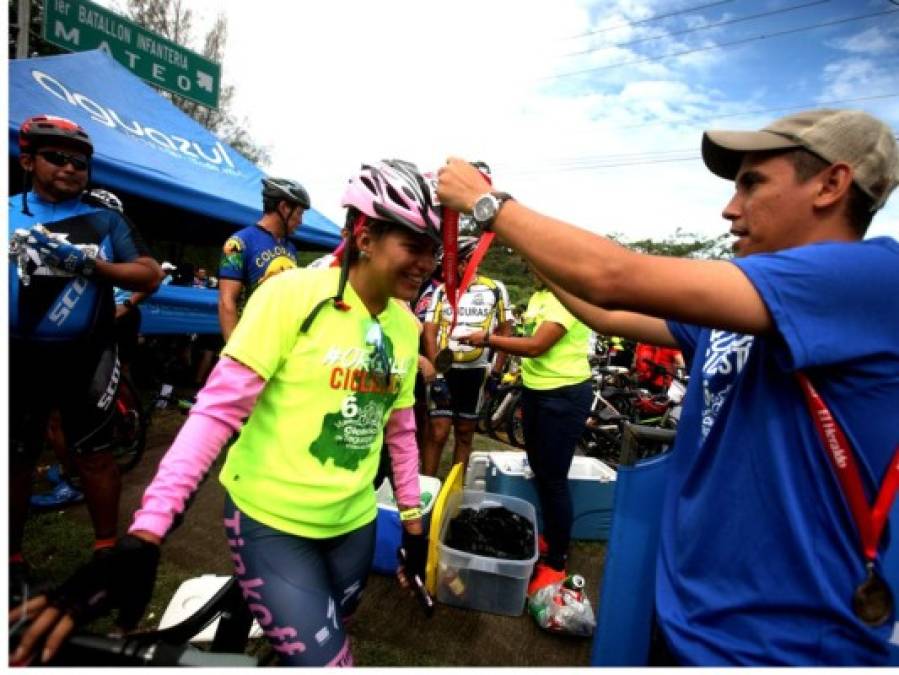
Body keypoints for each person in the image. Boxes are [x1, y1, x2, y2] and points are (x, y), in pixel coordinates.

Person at [436, 109, 899, 665]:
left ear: (831, 184)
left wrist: (489, 204)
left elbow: (614, 276)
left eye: (752, 183)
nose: (730, 209)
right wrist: (518, 242)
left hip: (782, 645)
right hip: (690, 617)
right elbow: (603, 309)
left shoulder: (870, 278)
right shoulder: (743, 309)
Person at [10, 159, 442, 667]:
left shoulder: (404, 325)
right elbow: (215, 414)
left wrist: (413, 527)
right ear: (365, 236)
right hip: (273, 524)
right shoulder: (291, 295)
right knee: (330, 663)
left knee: (327, 632)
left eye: (433, 251)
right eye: (413, 246)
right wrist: (147, 532)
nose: (426, 264)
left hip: (355, 523)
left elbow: (401, 429)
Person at [7, 115, 163, 603]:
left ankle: (105, 553)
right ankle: (11, 559)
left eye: (81, 162)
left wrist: (92, 265)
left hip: (87, 353)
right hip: (19, 353)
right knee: (17, 457)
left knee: (95, 456)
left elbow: (149, 274)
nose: (73, 168)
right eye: (58, 157)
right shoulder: (9, 210)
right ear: (28, 160)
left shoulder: (106, 218)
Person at [459, 277, 592, 595]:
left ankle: (557, 560)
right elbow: (526, 339)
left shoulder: (568, 294)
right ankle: (550, 532)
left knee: (553, 477)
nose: (531, 269)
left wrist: (487, 339)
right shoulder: (538, 296)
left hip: (564, 392)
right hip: (535, 391)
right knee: (538, 466)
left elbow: (536, 346)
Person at [421, 236, 513, 476]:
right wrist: (437, 373)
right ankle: (426, 488)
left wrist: (496, 372)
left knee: (464, 432)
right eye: (457, 262)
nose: (460, 267)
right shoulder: (442, 291)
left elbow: (505, 331)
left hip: (476, 373)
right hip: (446, 370)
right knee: (438, 432)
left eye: (465, 261)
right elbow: (429, 332)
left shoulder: (495, 289)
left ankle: (455, 490)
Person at [217, 177, 309, 340]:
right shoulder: (237, 243)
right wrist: (233, 354)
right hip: (249, 341)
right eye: (299, 213)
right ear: (284, 207)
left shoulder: (291, 248)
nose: (301, 221)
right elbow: (226, 302)